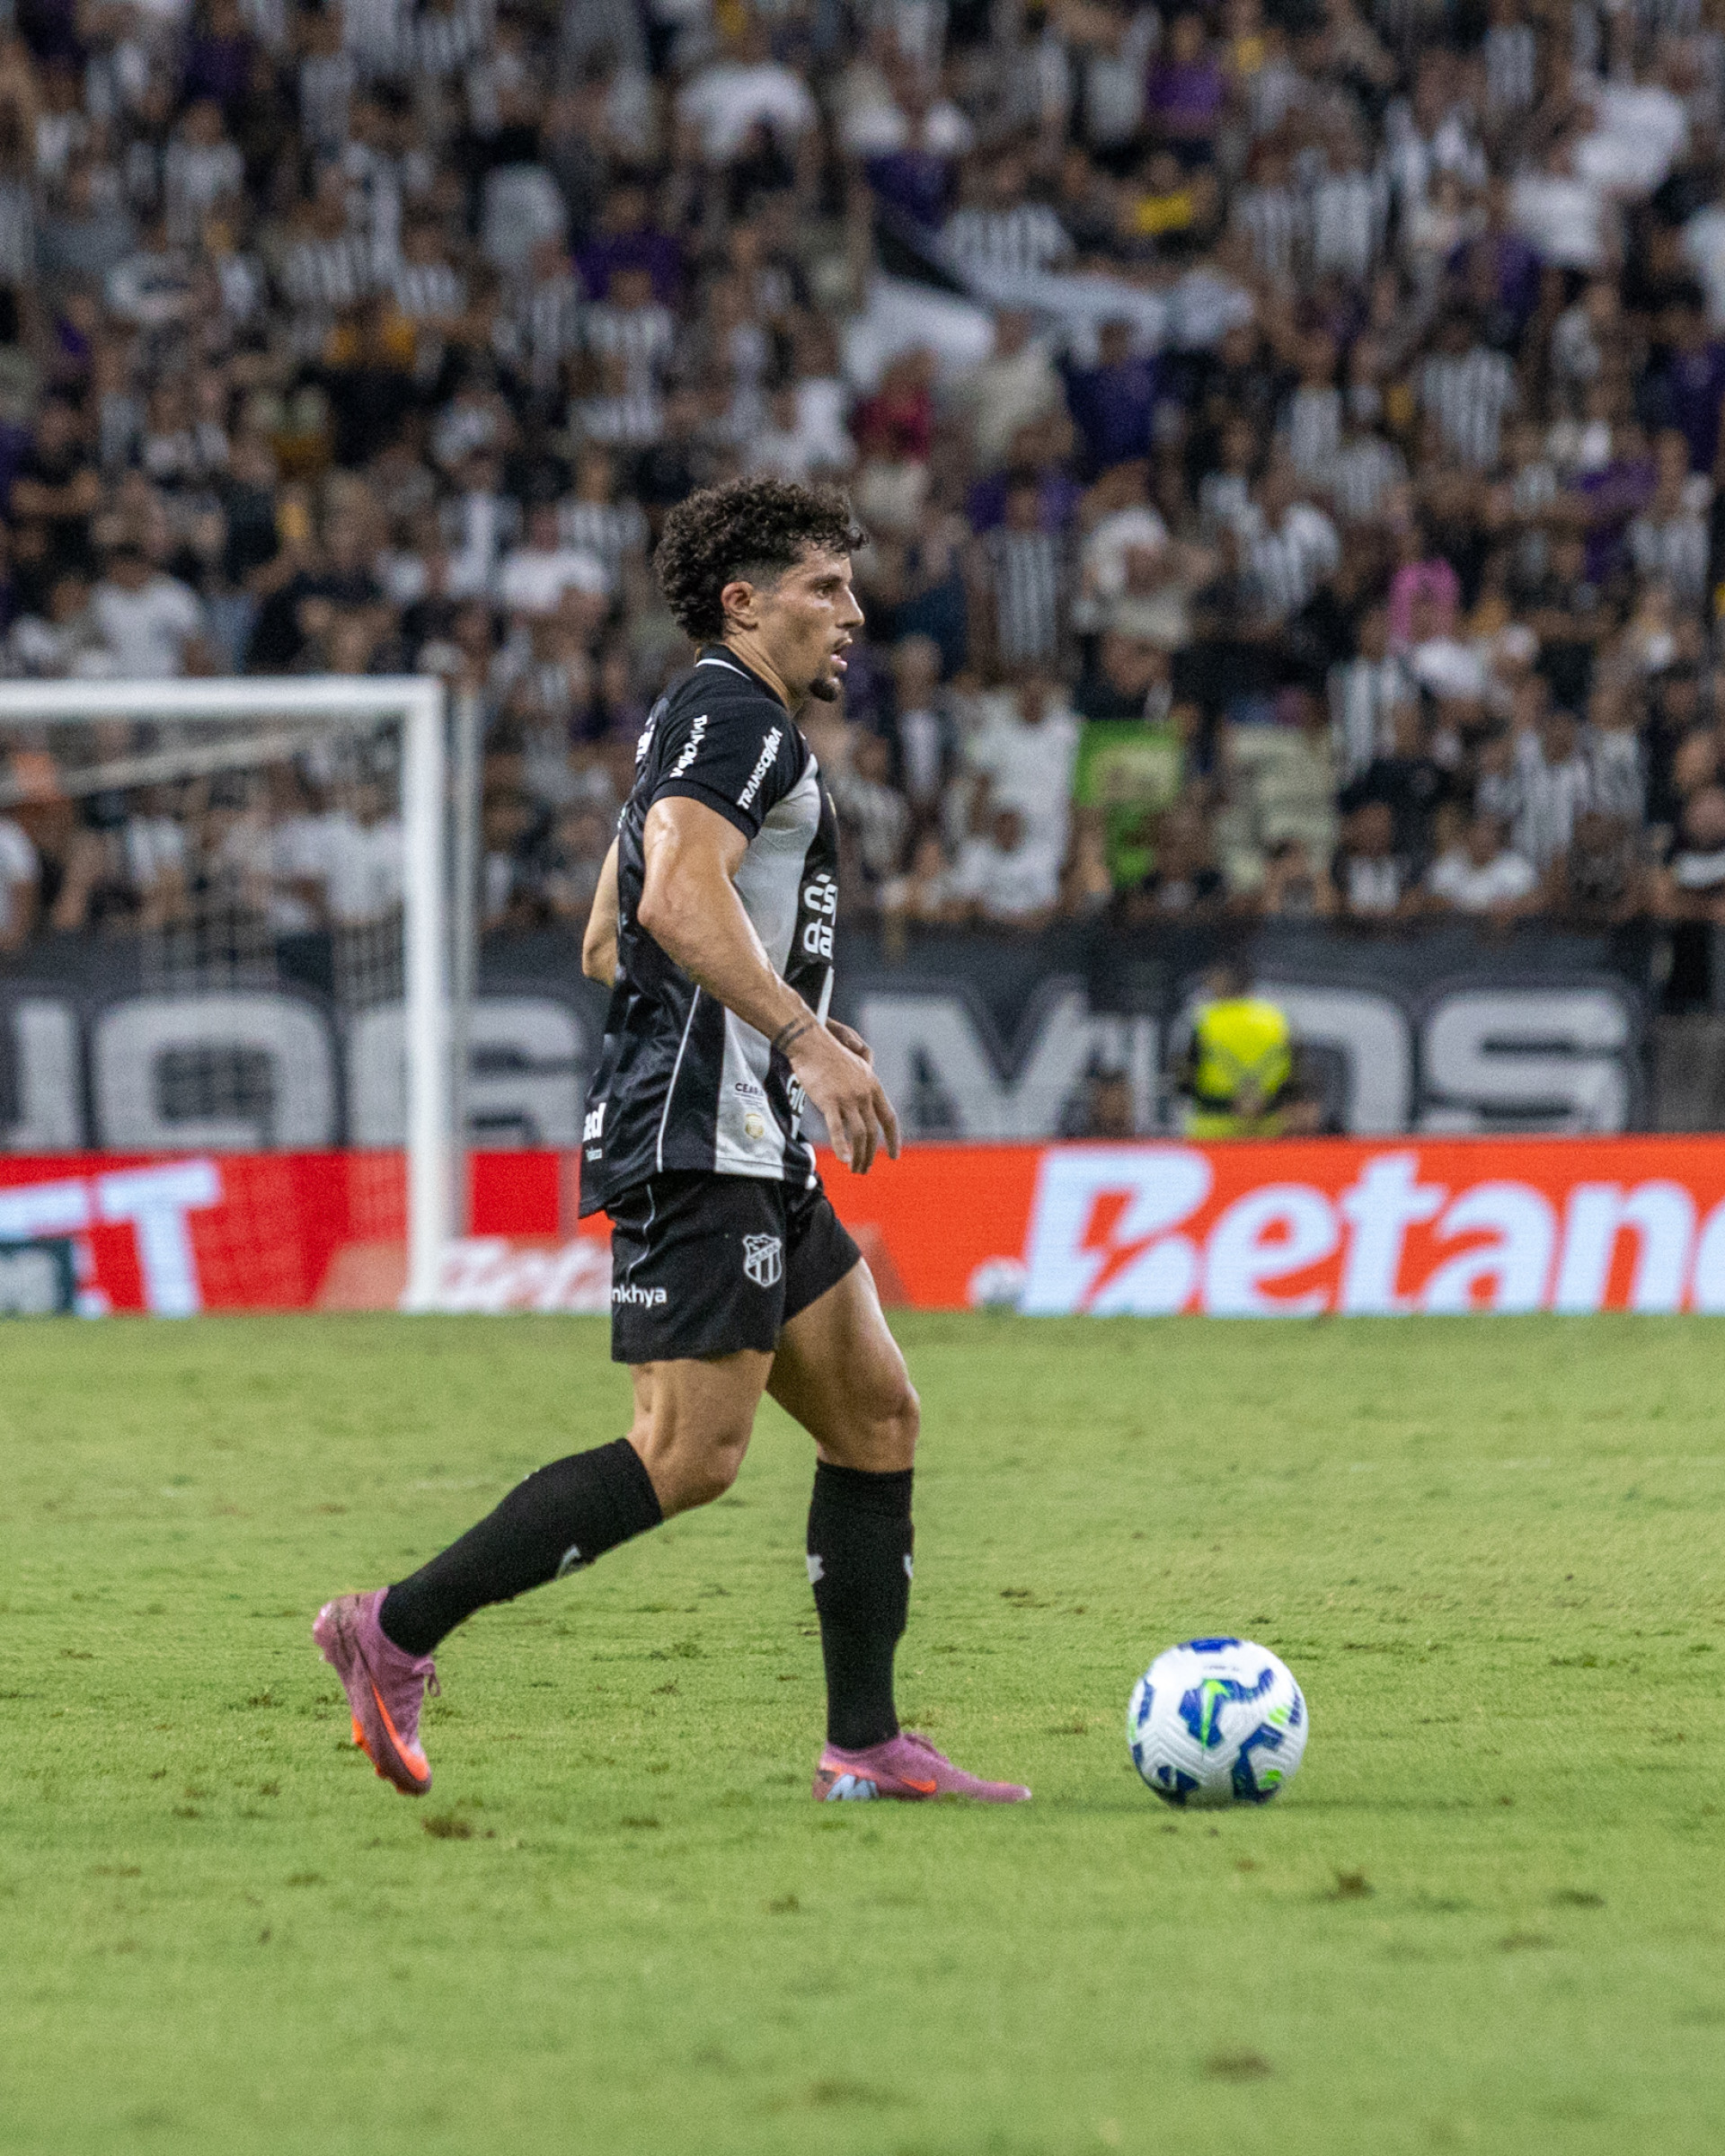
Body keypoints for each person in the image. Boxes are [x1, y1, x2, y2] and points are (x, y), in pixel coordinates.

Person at [314, 479, 1029, 1808]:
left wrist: (789, 1023)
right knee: (687, 1454)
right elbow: (679, 895)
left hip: (739, 1123)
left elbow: (611, 935)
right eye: (825, 587)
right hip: (705, 1128)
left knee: (876, 1415)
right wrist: (801, 1037)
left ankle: (863, 1744)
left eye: (852, 587)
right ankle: (394, 1628)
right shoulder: (738, 717)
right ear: (745, 602)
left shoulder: (690, 723)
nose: (853, 613)